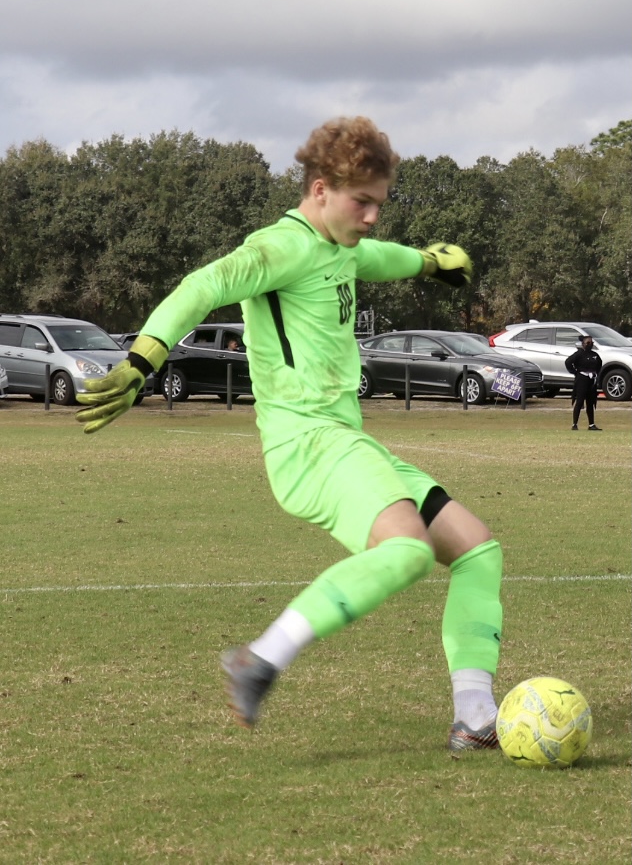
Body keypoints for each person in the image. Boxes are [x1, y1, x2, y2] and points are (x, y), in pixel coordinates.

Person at [76, 116, 503, 752]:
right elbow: (204, 285)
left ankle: (474, 715)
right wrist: (142, 360)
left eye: (380, 204)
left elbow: (374, 257)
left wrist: (427, 263)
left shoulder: (341, 245)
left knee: (475, 551)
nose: (372, 217)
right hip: (307, 442)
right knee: (409, 551)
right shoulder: (281, 246)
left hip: (343, 440)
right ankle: (261, 658)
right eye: (363, 202)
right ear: (321, 187)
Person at [565, 335, 603, 431]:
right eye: (588, 343)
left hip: (591, 380)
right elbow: (568, 362)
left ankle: (591, 424)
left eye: (591, 343)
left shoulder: (594, 355)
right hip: (582, 379)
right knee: (580, 401)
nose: (590, 344)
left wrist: (595, 374)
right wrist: (575, 372)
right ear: (583, 344)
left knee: (590, 402)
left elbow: (599, 364)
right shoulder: (579, 354)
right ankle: (574, 424)